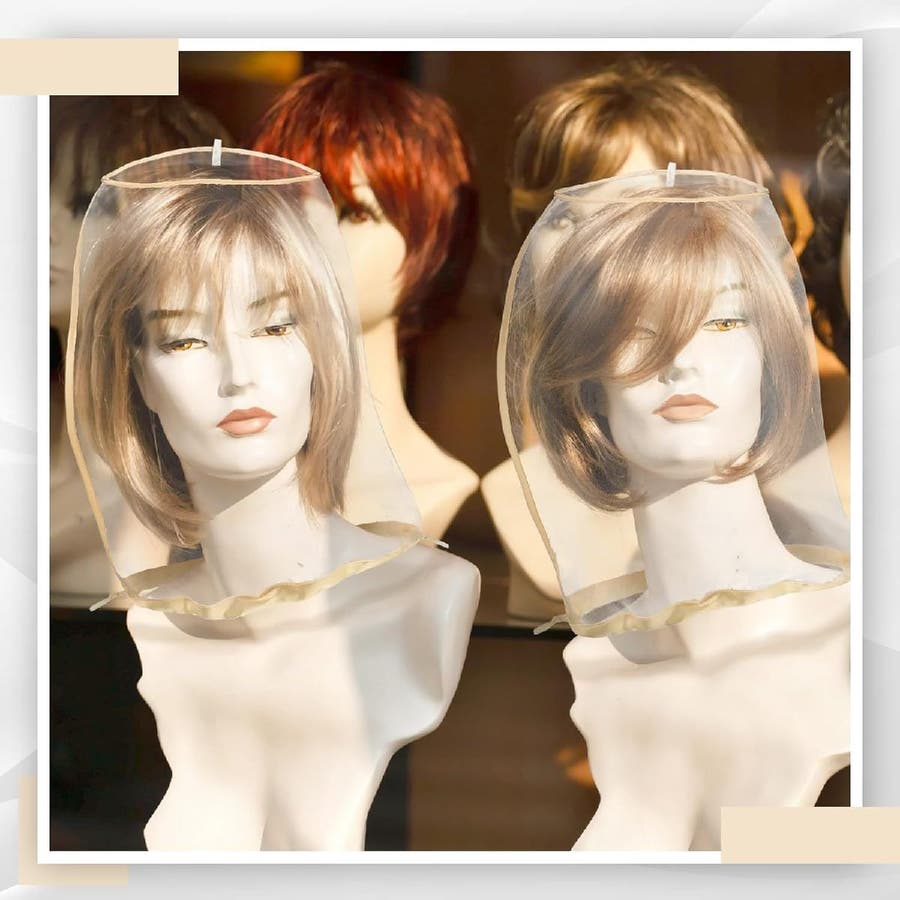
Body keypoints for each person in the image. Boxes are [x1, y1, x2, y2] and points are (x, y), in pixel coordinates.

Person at [252, 63, 480, 537]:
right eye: (290, 210)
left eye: (355, 213)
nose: (313, 240)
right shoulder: (228, 485)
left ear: (435, 237)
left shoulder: (448, 496)